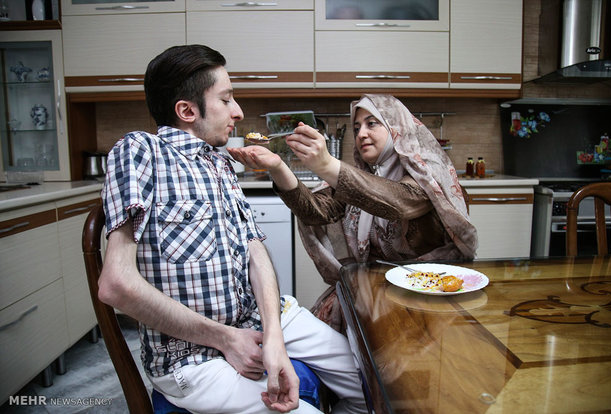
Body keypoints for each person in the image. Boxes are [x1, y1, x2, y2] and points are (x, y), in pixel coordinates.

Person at [98, 44, 366, 414]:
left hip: (263, 317)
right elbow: (116, 284)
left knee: (373, 379)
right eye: (226, 99)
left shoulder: (220, 162)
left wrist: (274, 337)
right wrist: (226, 339)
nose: (237, 111)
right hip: (191, 355)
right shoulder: (142, 151)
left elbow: (255, 249)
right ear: (187, 111)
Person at [229, 94, 478, 331]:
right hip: (372, 290)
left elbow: (398, 201)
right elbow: (317, 212)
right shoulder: (362, 178)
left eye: (372, 124)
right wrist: (277, 167)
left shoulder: (427, 176)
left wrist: (326, 164)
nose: (361, 134)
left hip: (426, 295)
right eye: (357, 128)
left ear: (396, 128)